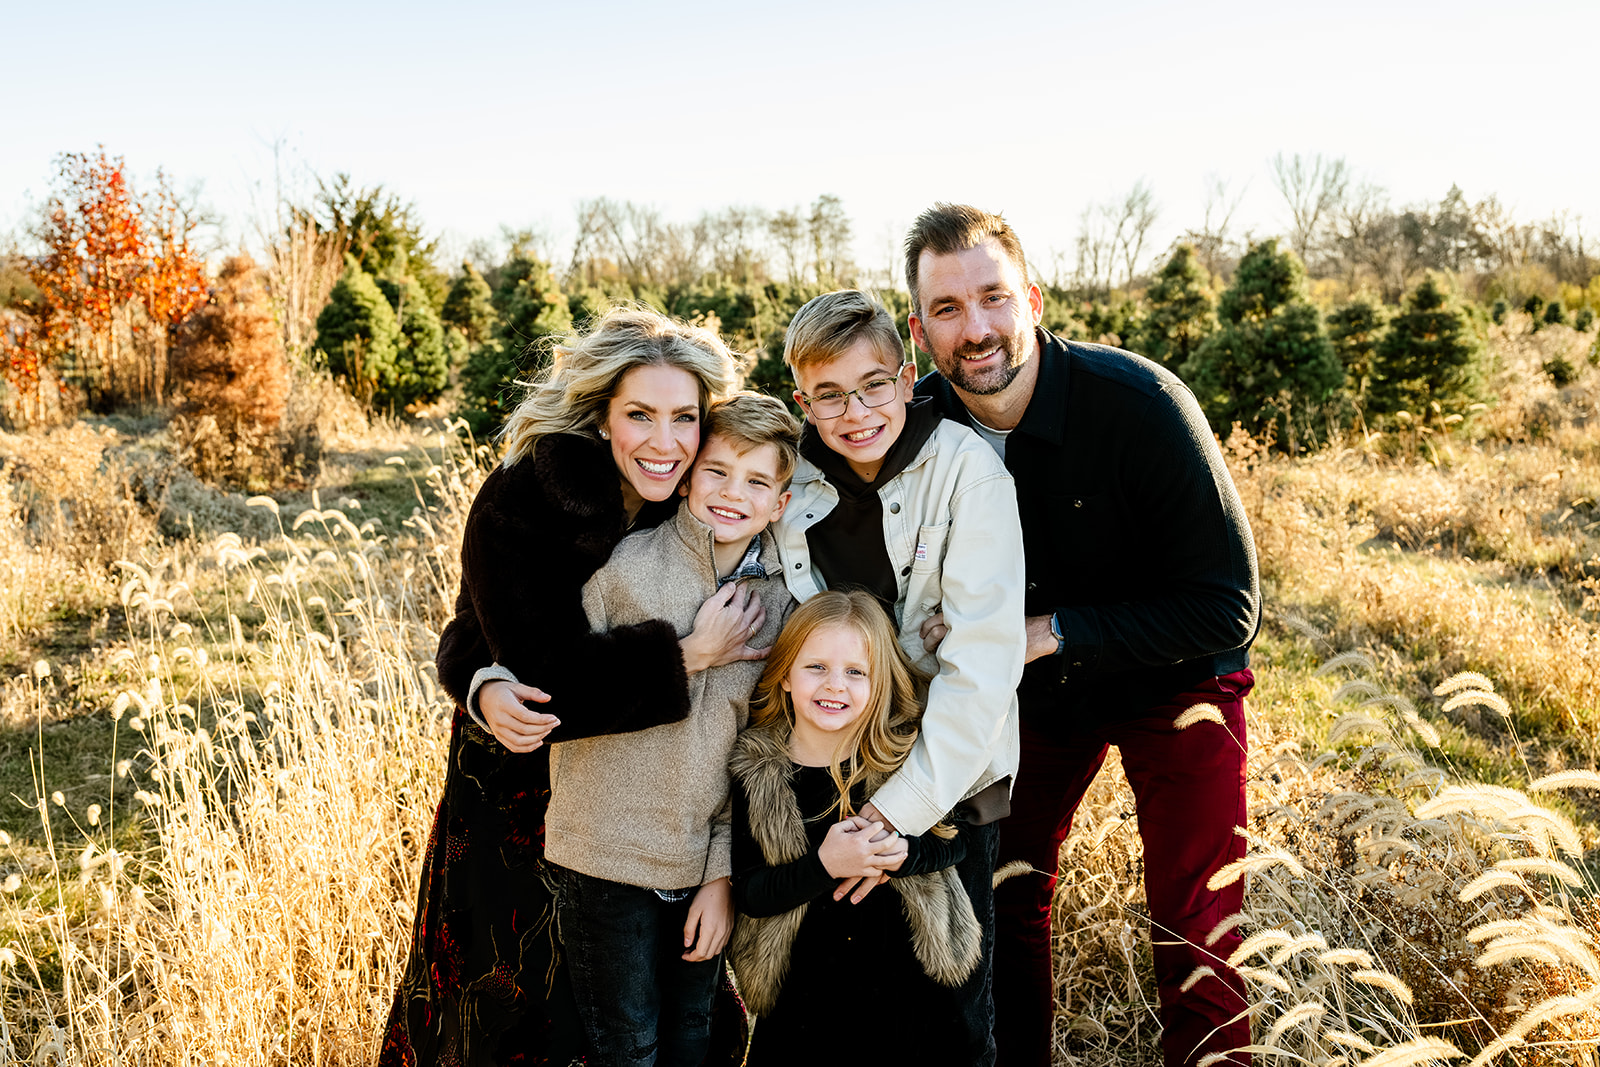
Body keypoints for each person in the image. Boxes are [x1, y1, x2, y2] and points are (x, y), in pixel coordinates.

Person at [903, 203, 1262, 1067]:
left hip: (1174, 676)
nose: (976, 328)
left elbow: (1228, 606)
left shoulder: (1140, 405)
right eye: (947, 309)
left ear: (1032, 297)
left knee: (1198, 914)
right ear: (918, 330)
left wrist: (1050, 629)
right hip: (1029, 691)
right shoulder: (914, 424)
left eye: (993, 297)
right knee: (1001, 886)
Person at [379, 307, 766, 1067]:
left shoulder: (704, 493)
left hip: (650, 799)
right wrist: (685, 655)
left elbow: (468, 635)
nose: (665, 441)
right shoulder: (528, 497)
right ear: (600, 412)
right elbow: (513, 650)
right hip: (521, 789)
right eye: (640, 416)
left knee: (651, 1017)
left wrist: (475, 673)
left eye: (684, 417)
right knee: (510, 1004)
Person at [771, 288, 1025, 1065]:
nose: (856, 411)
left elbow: (980, 665)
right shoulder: (789, 482)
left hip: (946, 786)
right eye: (830, 394)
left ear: (906, 374)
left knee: (942, 1018)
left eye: (874, 384)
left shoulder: (966, 472)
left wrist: (895, 813)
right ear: (801, 399)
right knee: (819, 1013)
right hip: (821, 781)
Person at [543, 392, 799, 1067]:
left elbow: (753, 755)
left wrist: (720, 875)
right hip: (605, 857)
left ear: (780, 499)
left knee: (696, 1040)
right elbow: (565, 696)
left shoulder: (779, 605)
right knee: (627, 1050)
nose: (731, 493)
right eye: (716, 471)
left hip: (698, 865)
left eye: (755, 481)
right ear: (687, 476)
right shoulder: (623, 572)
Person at [727, 590, 980, 1067]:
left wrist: (903, 853)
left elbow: (959, 839)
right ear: (784, 675)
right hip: (803, 999)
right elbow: (753, 893)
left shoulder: (906, 758)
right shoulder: (757, 773)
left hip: (907, 991)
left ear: (880, 682)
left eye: (855, 672)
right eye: (816, 667)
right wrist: (825, 865)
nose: (835, 685)